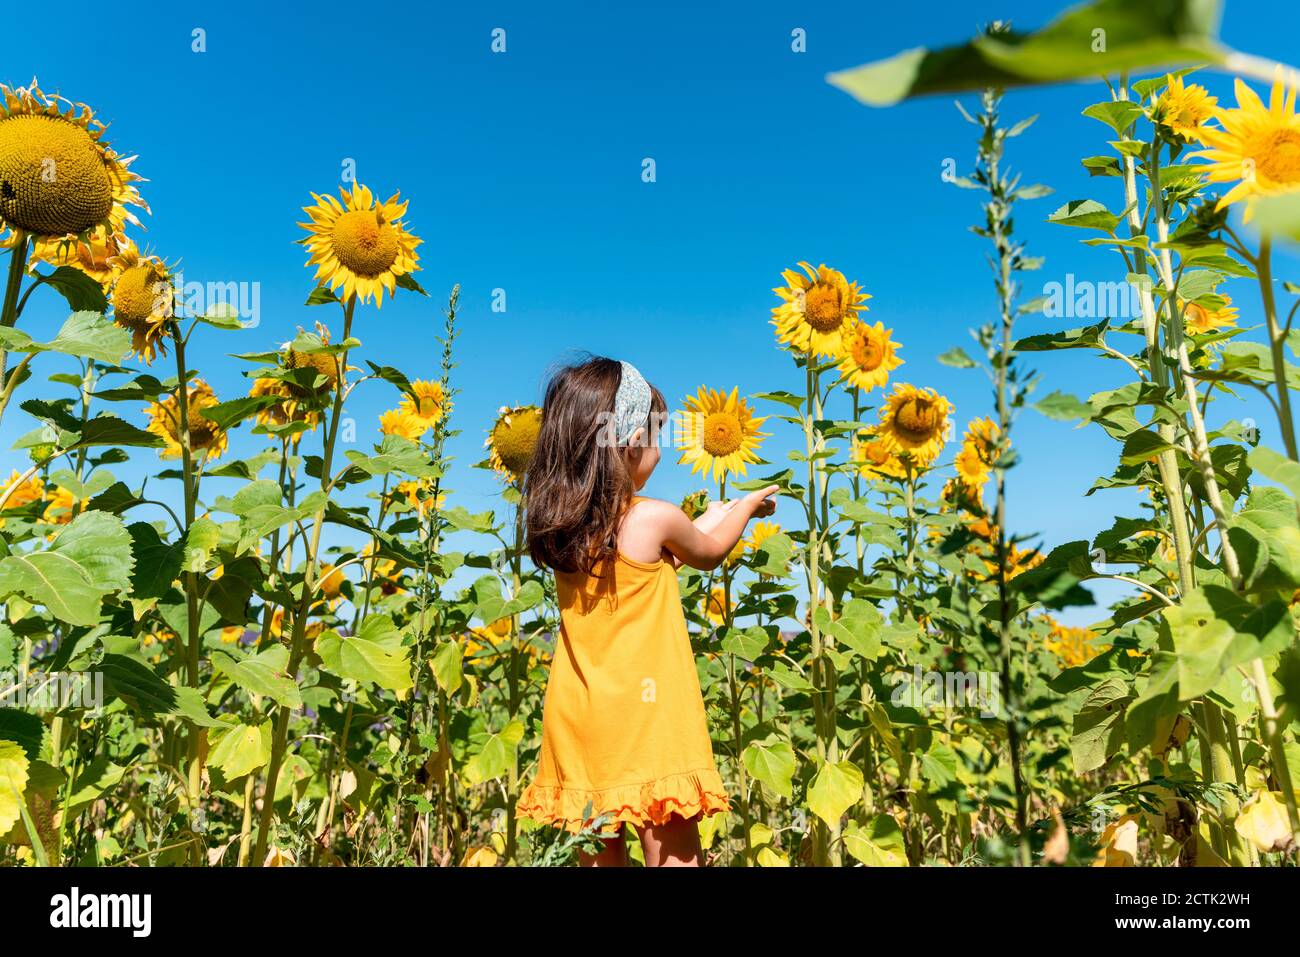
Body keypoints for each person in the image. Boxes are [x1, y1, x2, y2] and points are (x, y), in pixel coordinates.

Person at [517, 355, 777, 866]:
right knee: (673, 852)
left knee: (595, 852)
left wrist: (697, 524)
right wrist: (742, 509)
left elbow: (636, 585)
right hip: (650, 721)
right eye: (656, 437)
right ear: (630, 440)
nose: (659, 452)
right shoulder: (655, 517)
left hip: (582, 723)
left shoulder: (566, 533)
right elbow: (708, 552)